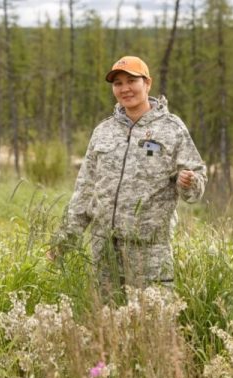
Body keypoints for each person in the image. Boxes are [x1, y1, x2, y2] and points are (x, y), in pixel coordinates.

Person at [50, 55, 206, 300]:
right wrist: (66, 239)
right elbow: (85, 190)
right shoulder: (103, 131)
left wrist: (189, 183)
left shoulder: (172, 129)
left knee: (152, 322)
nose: (124, 89)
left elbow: (196, 185)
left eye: (131, 81)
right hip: (104, 252)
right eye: (117, 83)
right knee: (107, 323)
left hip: (149, 252)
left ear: (147, 83)